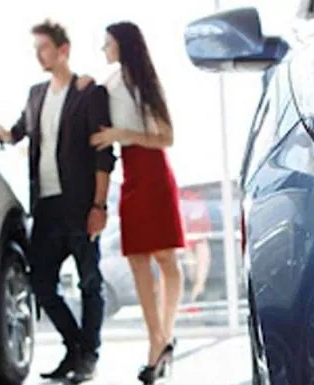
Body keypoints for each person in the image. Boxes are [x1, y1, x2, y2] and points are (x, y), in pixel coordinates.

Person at [0, 19, 115, 383]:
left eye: (43, 47)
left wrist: (99, 207)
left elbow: (105, 155)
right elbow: (15, 136)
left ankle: (88, 356)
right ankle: (77, 349)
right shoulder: (36, 93)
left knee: (90, 283)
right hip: (46, 207)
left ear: (63, 50)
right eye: (35, 48)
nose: (38, 54)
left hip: (81, 204)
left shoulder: (89, 93)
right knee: (41, 283)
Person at [90, 21, 185, 384]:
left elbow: (167, 136)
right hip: (130, 175)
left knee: (165, 256)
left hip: (155, 173)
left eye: (108, 43)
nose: (104, 49)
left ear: (123, 45)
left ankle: (162, 336)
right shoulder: (108, 83)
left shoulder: (147, 82)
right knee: (137, 259)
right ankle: (157, 339)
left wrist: (121, 134)